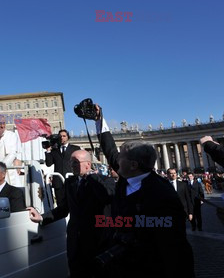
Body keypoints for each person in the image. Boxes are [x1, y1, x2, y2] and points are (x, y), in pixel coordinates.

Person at [93, 104, 194, 277]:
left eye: (121, 157)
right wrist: (99, 120)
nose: (116, 161)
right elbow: (110, 150)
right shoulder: (128, 176)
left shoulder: (162, 194)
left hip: (153, 267)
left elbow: (172, 243)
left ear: (133, 165)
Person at [28, 150, 115, 277]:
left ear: (88, 164)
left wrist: (92, 177)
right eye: (71, 162)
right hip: (75, 243)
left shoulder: (105, 181)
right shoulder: (70, 182)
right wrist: (42, 217)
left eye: (75, 162)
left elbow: (106, 197)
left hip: (97, 242)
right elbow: (64, 208)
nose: (71, 166)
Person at [44, 129, 80, 206]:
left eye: (64, 136)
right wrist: (48, 151)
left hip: (72, 181)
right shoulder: (54, 150)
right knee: (60, 205)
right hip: (58, 182)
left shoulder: (75, 149)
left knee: (74, 204)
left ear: (68, 137)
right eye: (60, 136)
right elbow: (48, 163)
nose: (62, 138)